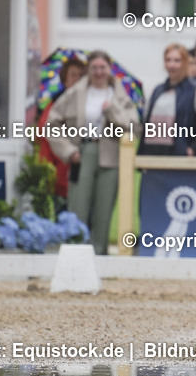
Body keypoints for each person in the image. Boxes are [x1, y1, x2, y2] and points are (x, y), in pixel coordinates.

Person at [46, 50, 139, 254]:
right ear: (88, 69)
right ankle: (74, 255)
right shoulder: (75, 93)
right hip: (82, 153)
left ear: (109, 69)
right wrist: (68, 150)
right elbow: (51, 124)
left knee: (103, 212)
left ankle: (100, 255)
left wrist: (112, 110)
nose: (98, 72)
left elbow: (134, 127)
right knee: (78, 208)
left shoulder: (120, 96)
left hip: (111, 155)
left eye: (102, 68)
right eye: (94, 68)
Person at [140, 43, 196, 156]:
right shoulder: (157, 91)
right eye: (168, 60)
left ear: (186, 63)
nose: (171, 65)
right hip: (152, 156)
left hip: (181, 159)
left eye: (177, 61)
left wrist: (193, 149)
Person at [37, 57, 87, 199]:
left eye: (81, 75)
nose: (78, 79)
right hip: (59, 174)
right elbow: (44, 135)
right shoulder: (54, 106)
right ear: (64, 80)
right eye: (73, 75)